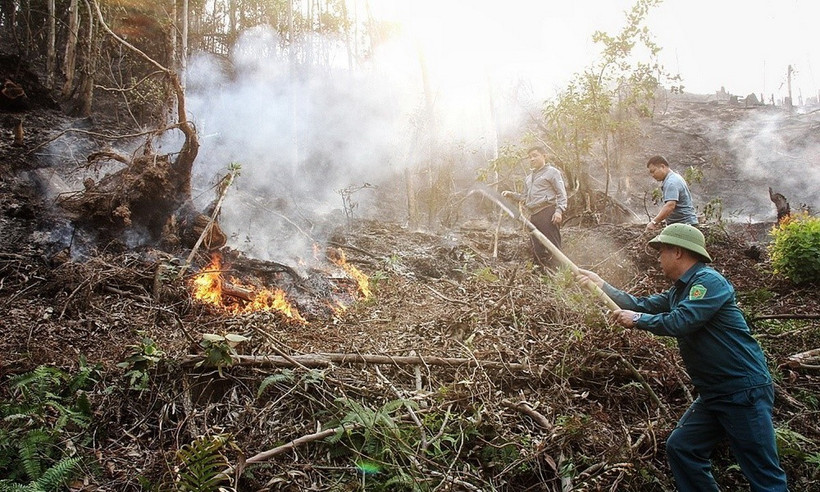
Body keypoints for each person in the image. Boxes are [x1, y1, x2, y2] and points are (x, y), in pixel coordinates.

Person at [576, 224, 787, 492]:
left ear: (677, 252)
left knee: (763, 473)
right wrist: (602, 285)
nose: (658, 257)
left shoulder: (709, 283)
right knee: (683, 448)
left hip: (741, 390)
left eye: (661, 251)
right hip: (714, 393)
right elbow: (641, 305)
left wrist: (638, 320)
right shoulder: (679, 290)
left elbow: (682, 321)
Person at [501, 146, 568, 268]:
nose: (532, 159)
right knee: (536, 248)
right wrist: (511, 195)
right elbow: (525, 198)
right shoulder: (528, 178)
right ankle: (543, 276)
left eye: (535, 155)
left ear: (544, 156)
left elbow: (561, 193)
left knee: (554, 247)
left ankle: (562, 276)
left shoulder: (553, 172)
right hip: (534, 216)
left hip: (548, 213)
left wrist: (559, 211)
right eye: (530, 157)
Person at [645, 155, 698, 231]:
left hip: (684, 226)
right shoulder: (674, 177)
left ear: (662, 166)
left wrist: (654, 222)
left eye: (653, 171)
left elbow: (670, 206)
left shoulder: (671, 182)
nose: (652, 175)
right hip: (684, 224)